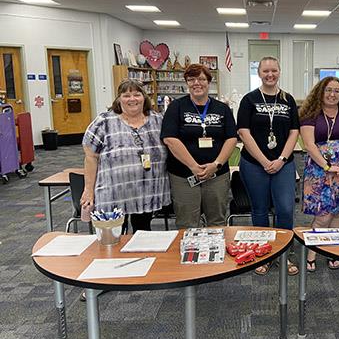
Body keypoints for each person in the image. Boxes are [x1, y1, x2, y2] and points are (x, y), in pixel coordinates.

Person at [237, 56, 300, 276]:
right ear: (259, 73)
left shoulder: (288, 100)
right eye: (265, 71)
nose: (270, 74)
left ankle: (284, 254)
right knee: (260, 209)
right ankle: (262, 254)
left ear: (279, 72)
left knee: (285, 209)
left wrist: (281, 159)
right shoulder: (250, 99)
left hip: (284, 163)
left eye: (274, 70)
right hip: (254, 164)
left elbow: (294, 132)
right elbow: (243, 132)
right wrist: (264, 161)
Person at [81, 79, 171, 232]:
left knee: (142, 233)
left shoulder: (158, 120)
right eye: (126, 95)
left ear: (144, 97)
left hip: (146, 191)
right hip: (113, 193)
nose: (132, 99)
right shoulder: (104, 122)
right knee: (113, 236)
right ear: (118, 99)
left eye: (137, 94)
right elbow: (91, 156)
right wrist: (88, 190)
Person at [161, 64, 237, 228]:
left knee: (217, 221)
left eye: (201, 79)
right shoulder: (176, 107)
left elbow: (231, 139)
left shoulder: (222, 109)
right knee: (187, 223)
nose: (197, 83)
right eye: (191, 79)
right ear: (186, 83)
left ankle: (216, 253)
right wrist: (194, 167)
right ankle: (189, 254)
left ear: (209, 81)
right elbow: (170, 139)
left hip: (217, 175)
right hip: (184, 175)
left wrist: (216, 165)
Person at [300, 76, 339, 271]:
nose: (332, 94)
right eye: (328, 90)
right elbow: (309, 145)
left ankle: (332, 250)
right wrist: (328, 167)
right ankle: (312, 252)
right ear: (321, 91)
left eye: (337, 90)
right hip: (319, 170)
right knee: (323, 213)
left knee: (338, 211)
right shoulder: (310, 112)